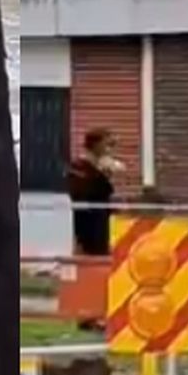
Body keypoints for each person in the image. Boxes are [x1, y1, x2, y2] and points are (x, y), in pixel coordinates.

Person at [66, 128, 123, 331]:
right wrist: (102, 173)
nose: (109, 148)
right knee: (90, 268)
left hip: (101, 222)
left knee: (101, 268)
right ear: (95, 144)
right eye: (106, 143)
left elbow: (105, 193)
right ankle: (87, 315)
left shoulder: (96, 167)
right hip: (87, 224)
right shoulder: (79, 167)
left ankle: (97, 314)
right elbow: (84, 192)